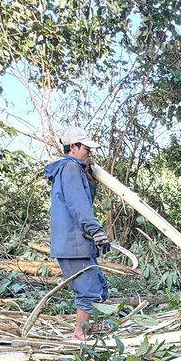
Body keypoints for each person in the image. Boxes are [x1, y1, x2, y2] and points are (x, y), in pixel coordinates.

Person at [44, 127, 111, 340]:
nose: (90, 152)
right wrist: (95, 229)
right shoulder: (70, 169)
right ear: (73, 147)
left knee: (98, 285)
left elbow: (82, 200)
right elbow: (77, 204)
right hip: (74, 242)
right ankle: (80, 335)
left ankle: (88, 328)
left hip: (77, 241)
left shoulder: (73, 169)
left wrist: (90, 180)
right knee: (88, 289)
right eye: (86, 148)